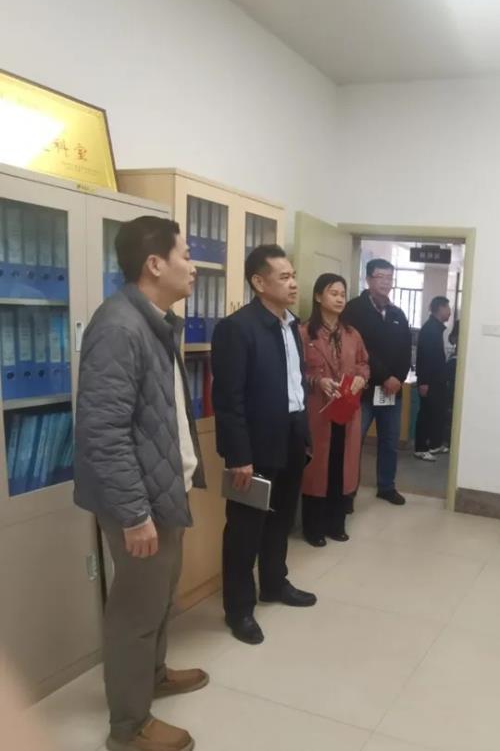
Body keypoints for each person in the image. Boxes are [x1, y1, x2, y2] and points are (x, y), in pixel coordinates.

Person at [74, 216, 207, 751]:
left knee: (158, 599)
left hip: (163, 491)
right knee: (135, 613)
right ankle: (128, 728)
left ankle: (152, 676)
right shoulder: (119, 327)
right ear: (155, 264)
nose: (193, 267)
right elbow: (103, 433)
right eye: (185, 255)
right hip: (141, 501)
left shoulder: (153, 320)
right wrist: (134, 513)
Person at [212, 244, 316, 646]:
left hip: (290, 435)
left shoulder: (292, 325)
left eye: (293, 276)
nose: (293, 284)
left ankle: (274, 583)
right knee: (244, 529)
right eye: (284, 277)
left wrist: (304, 434)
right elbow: (228, 399)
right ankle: (239, 609)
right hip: (254, 445)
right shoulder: (237, 328)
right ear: (259, 282)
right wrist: (238, 455)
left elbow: (295, 385)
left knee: (281, 519)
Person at [299, 273, 369, 545]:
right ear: (318, 296)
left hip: (347, 410)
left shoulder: (352, 334)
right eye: (333, 293)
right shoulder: (304, 333)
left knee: (342, 465)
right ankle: (313, 527)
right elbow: (296, 372)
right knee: (317, 470)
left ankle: (336, 522)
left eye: (342, 294)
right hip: (318, 411)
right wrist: (318, 381)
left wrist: (361, 378)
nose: (340, 299)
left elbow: (363, 364)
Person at [343, 259, 412, 505]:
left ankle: (386, 486)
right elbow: (359, 350)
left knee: (390, 442)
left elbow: (406, 350)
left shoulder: (397, 313)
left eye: (389, 278)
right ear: (368, 279)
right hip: (363, 390)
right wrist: (385, 377)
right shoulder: (353, 310)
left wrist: (398, 379)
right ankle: (347, 491)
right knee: (353, 442)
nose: (385, 282)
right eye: (380, 277)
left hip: (391, 392)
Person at [414, 296, 453, 461]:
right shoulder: (429, 329)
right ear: (440, 309)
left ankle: (434, 444)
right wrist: (423, 382)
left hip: (437, 381)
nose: (450, 312)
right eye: (448, 308)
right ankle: (420, 448)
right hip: (429, 382)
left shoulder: (436, 329)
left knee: (436, 413)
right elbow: (424, 358)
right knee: (426, 414)